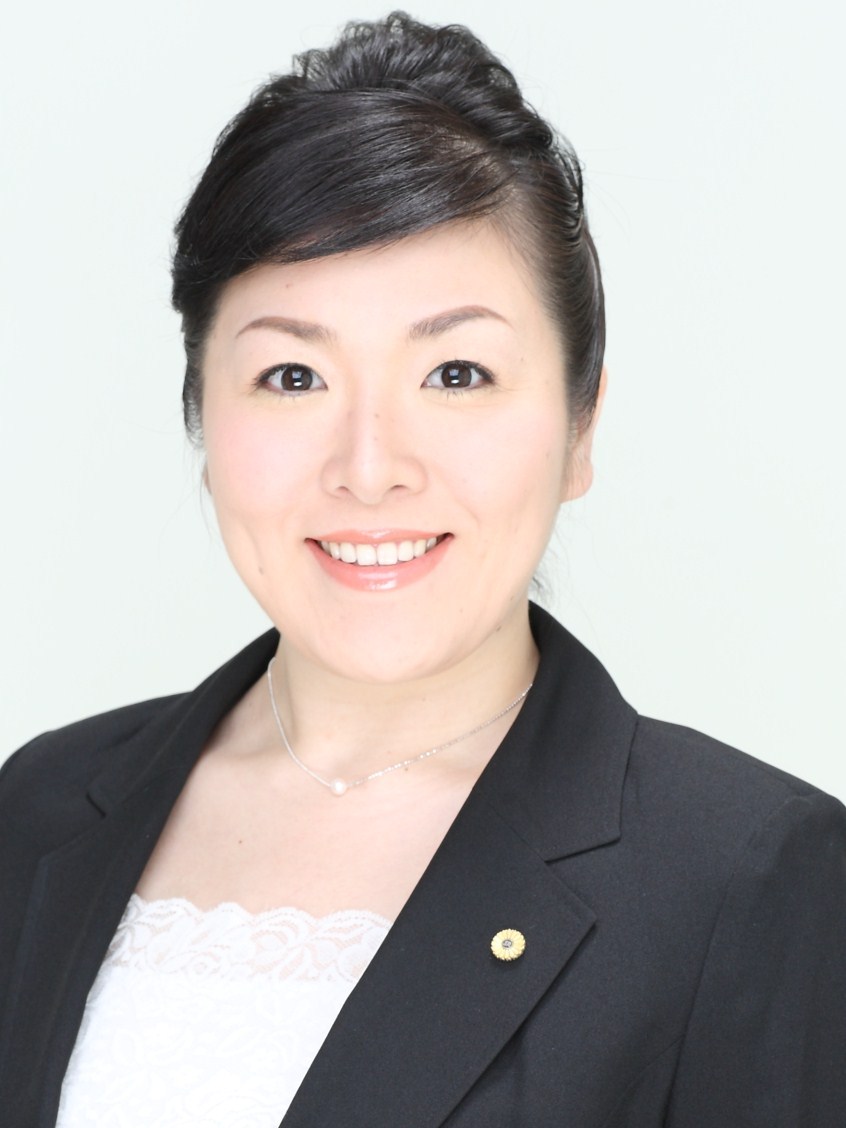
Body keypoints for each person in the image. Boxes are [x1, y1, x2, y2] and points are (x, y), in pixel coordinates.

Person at [1, 11, 844, 1127]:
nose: (369, 470)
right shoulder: (43, 808)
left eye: (455, 373)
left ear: (581, 425)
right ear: (202, 412)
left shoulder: (750, 876)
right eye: (292, 377)